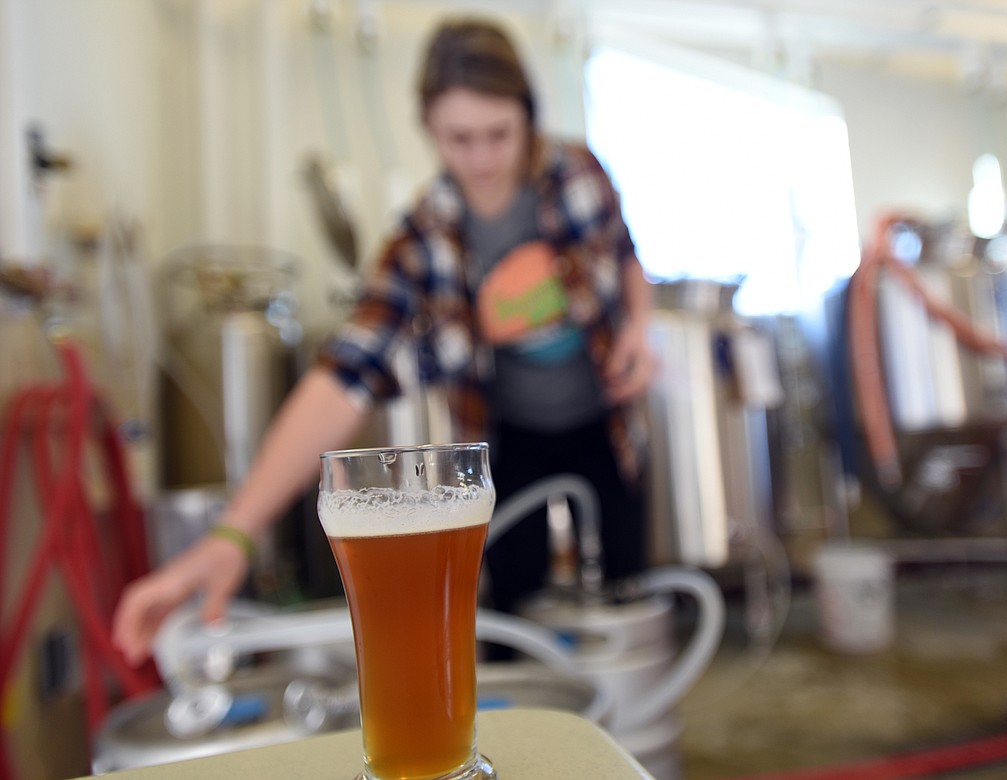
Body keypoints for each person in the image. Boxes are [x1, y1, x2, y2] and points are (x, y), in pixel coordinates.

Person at [113, 17, 655, 666]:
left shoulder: (578, 173)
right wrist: (235, 532)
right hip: (510, 441)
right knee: (513, 620)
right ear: (428, 128)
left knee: (630, 611)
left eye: (498, 135)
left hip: (607, 425)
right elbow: (346, 374)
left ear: (529, 118)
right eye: (460, 139)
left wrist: (639, 330)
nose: (481, 159)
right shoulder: (423, 240)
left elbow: (626, 257)